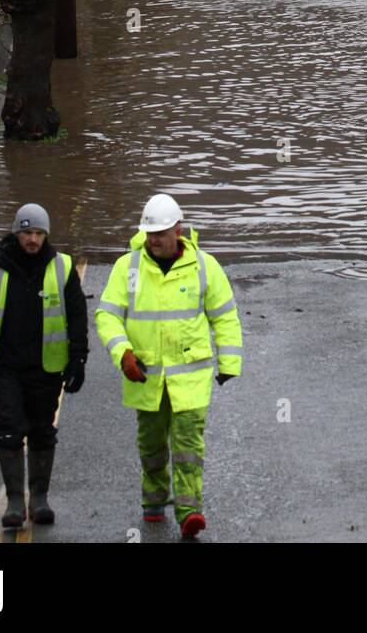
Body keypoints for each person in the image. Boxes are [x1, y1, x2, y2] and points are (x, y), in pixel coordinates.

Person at [96, 193, 242, 540]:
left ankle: (190, 511)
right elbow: (108, 316)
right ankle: (154, 498)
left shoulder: (204, 267)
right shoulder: (127, 268)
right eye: (150, 233)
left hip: (190, 381)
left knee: (188, 446)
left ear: (178, 230)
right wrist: (123, 354)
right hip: (146, 377)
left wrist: (229, 362)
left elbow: (225, 316)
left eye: (160, 232)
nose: (154, 239)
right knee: (152, 445)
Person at [0, 204, 88, 528]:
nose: (32, 240)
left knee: (42, 431)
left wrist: (78, 357)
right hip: (3, 368)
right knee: (8, 431)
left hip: (46, 368)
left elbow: (77, 316)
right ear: (15, 233)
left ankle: (39, 499)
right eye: (26, 233)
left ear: (46, 235)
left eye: (38, 233)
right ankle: (15, 502)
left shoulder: (62, 267)